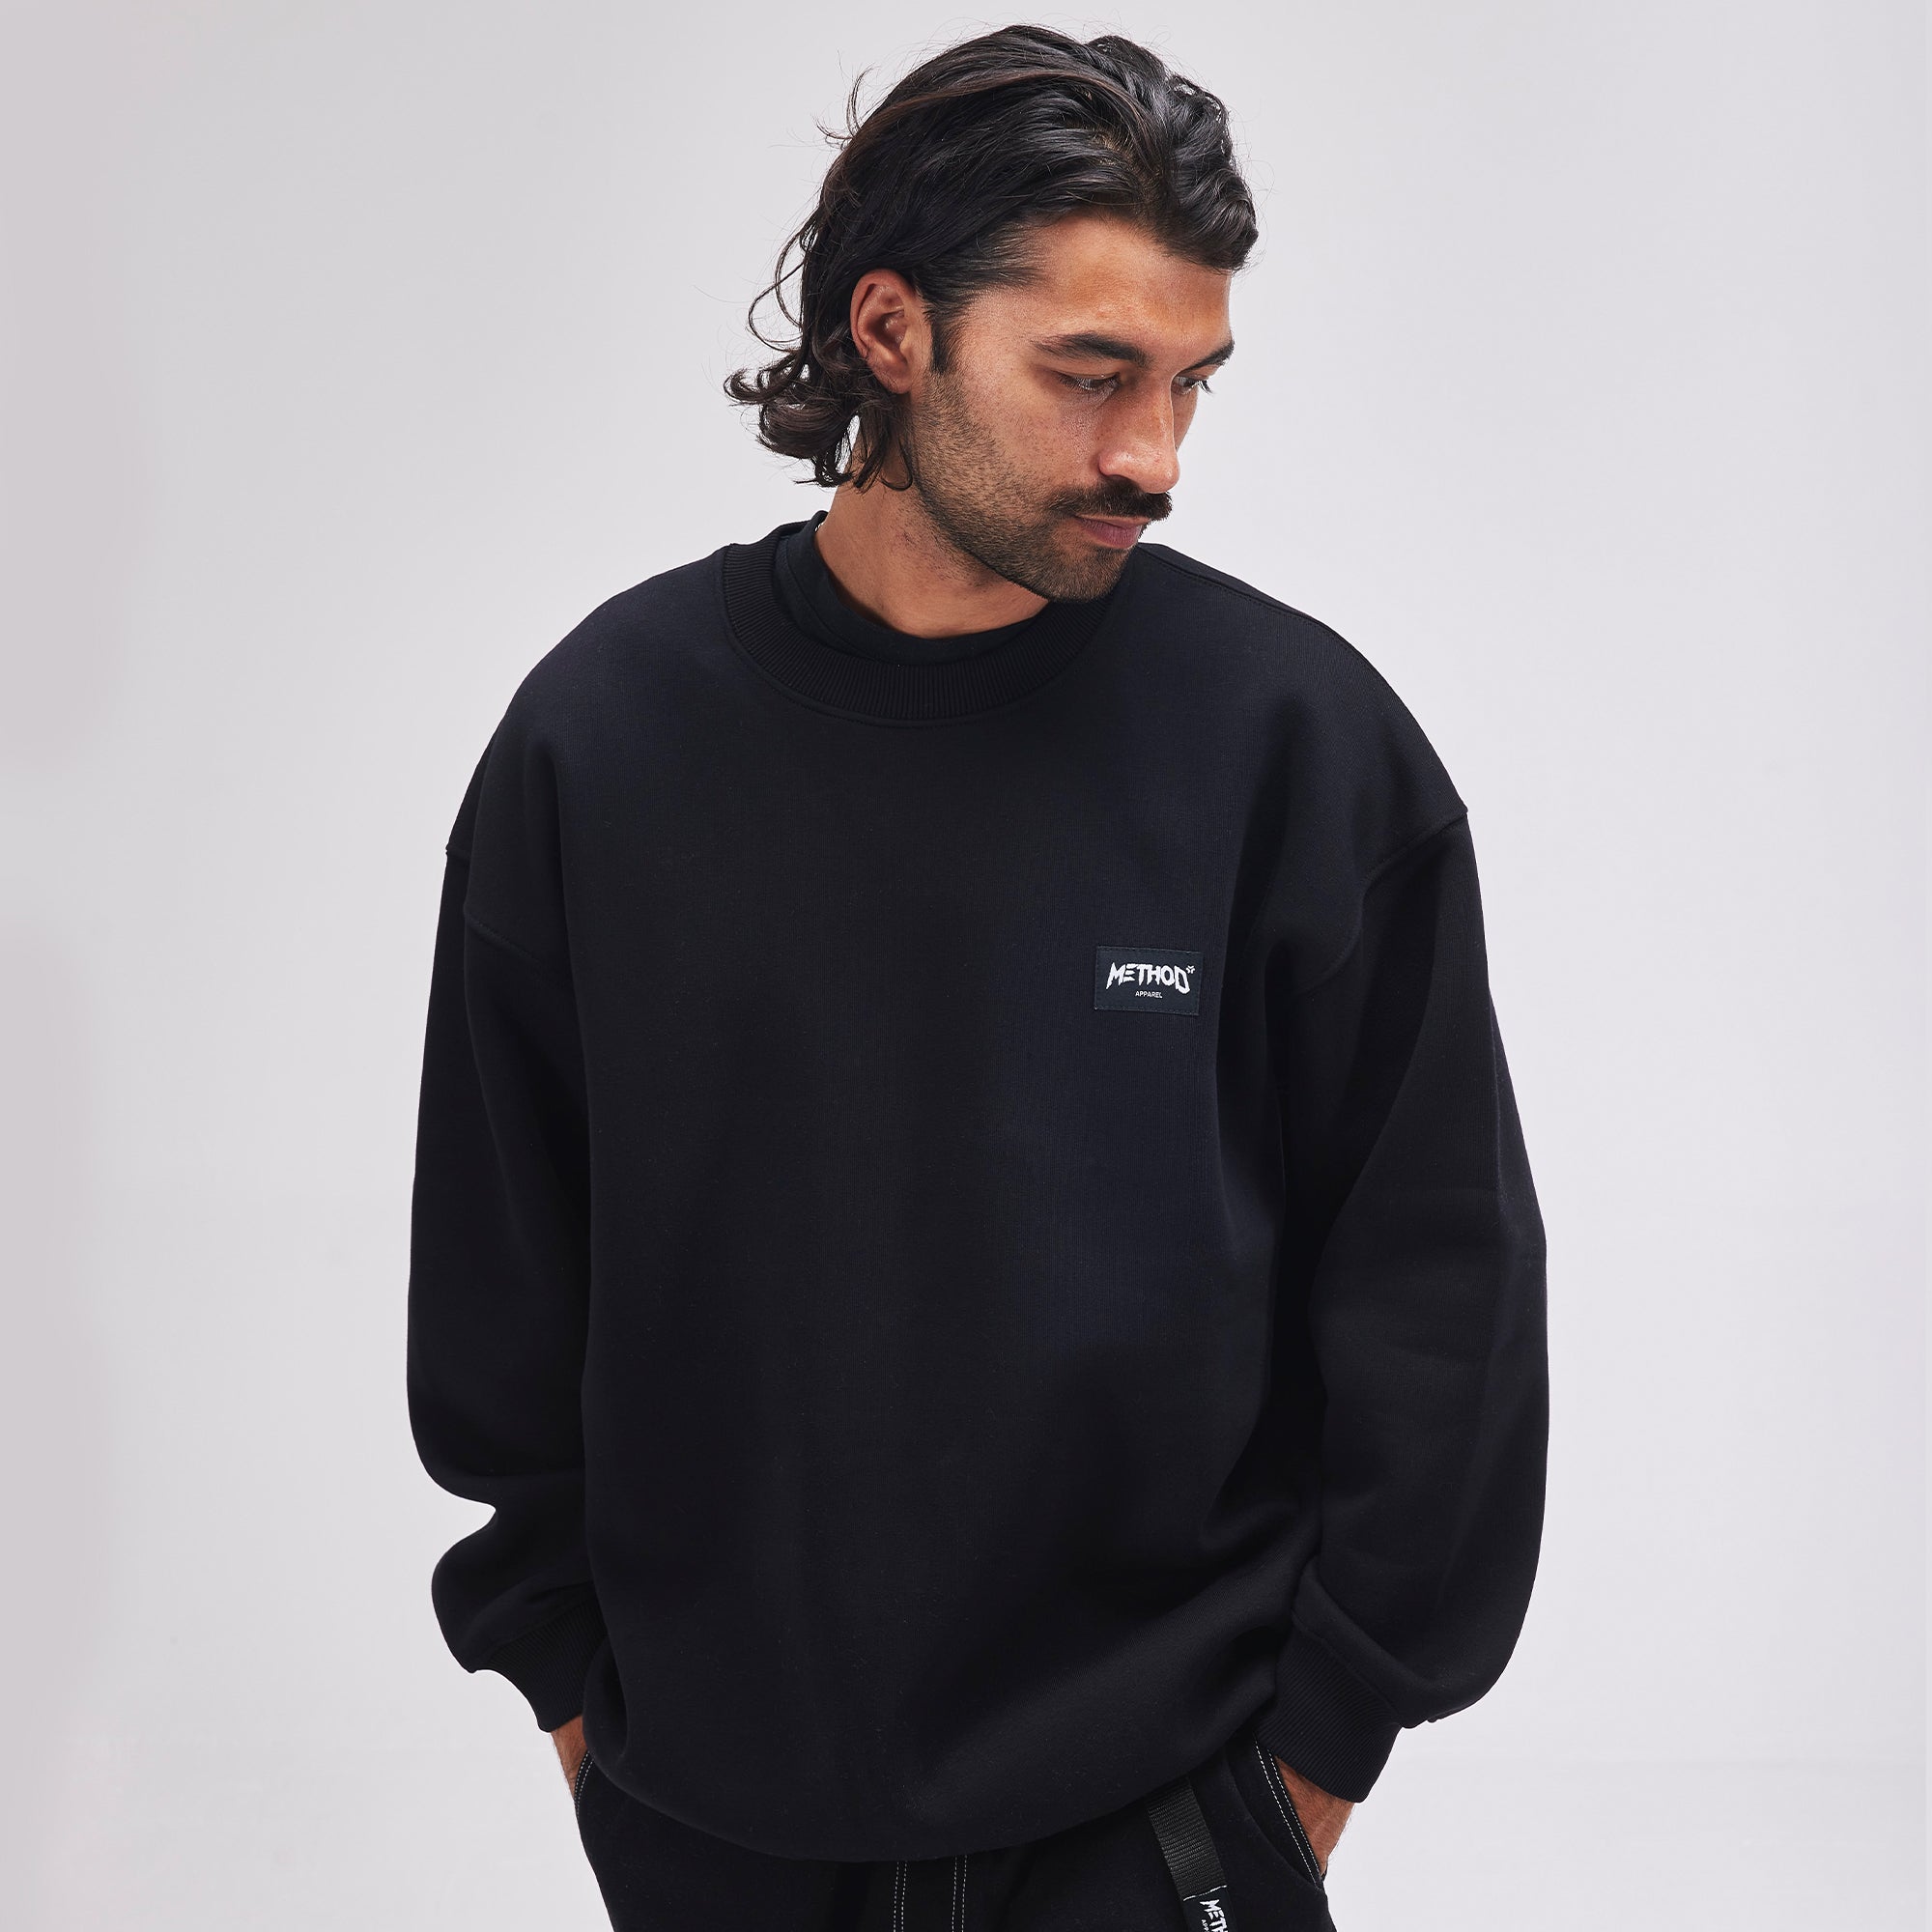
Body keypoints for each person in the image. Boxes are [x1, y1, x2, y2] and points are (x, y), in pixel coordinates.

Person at [405, 25, 1548, 1932]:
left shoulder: (1294, 746)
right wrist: (595, 1732)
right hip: (715, 1831)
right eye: (1091, 376)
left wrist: (1300, 1780)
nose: (1152, 456)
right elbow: (502, 1284)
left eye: (1189, 383)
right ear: (892, 330)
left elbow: (1442, 1299)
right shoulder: (605, 742)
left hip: (1163, 1833)